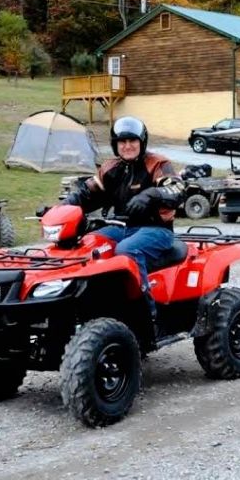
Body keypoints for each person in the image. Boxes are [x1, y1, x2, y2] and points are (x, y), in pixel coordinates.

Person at [64, 115, 184, 331]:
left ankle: (146, 315)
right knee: (88, 245)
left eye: (132, 141)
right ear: (115, 144)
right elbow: (87, 193)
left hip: (157, 230)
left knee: (127, 250)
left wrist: (151, 195)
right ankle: (92, 306)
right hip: (121, 228)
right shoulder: (111, 168)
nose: (128, 146)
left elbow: (177, 189)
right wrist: (63, 206)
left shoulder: (158, 163)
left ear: (141, 141)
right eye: (122, 141)